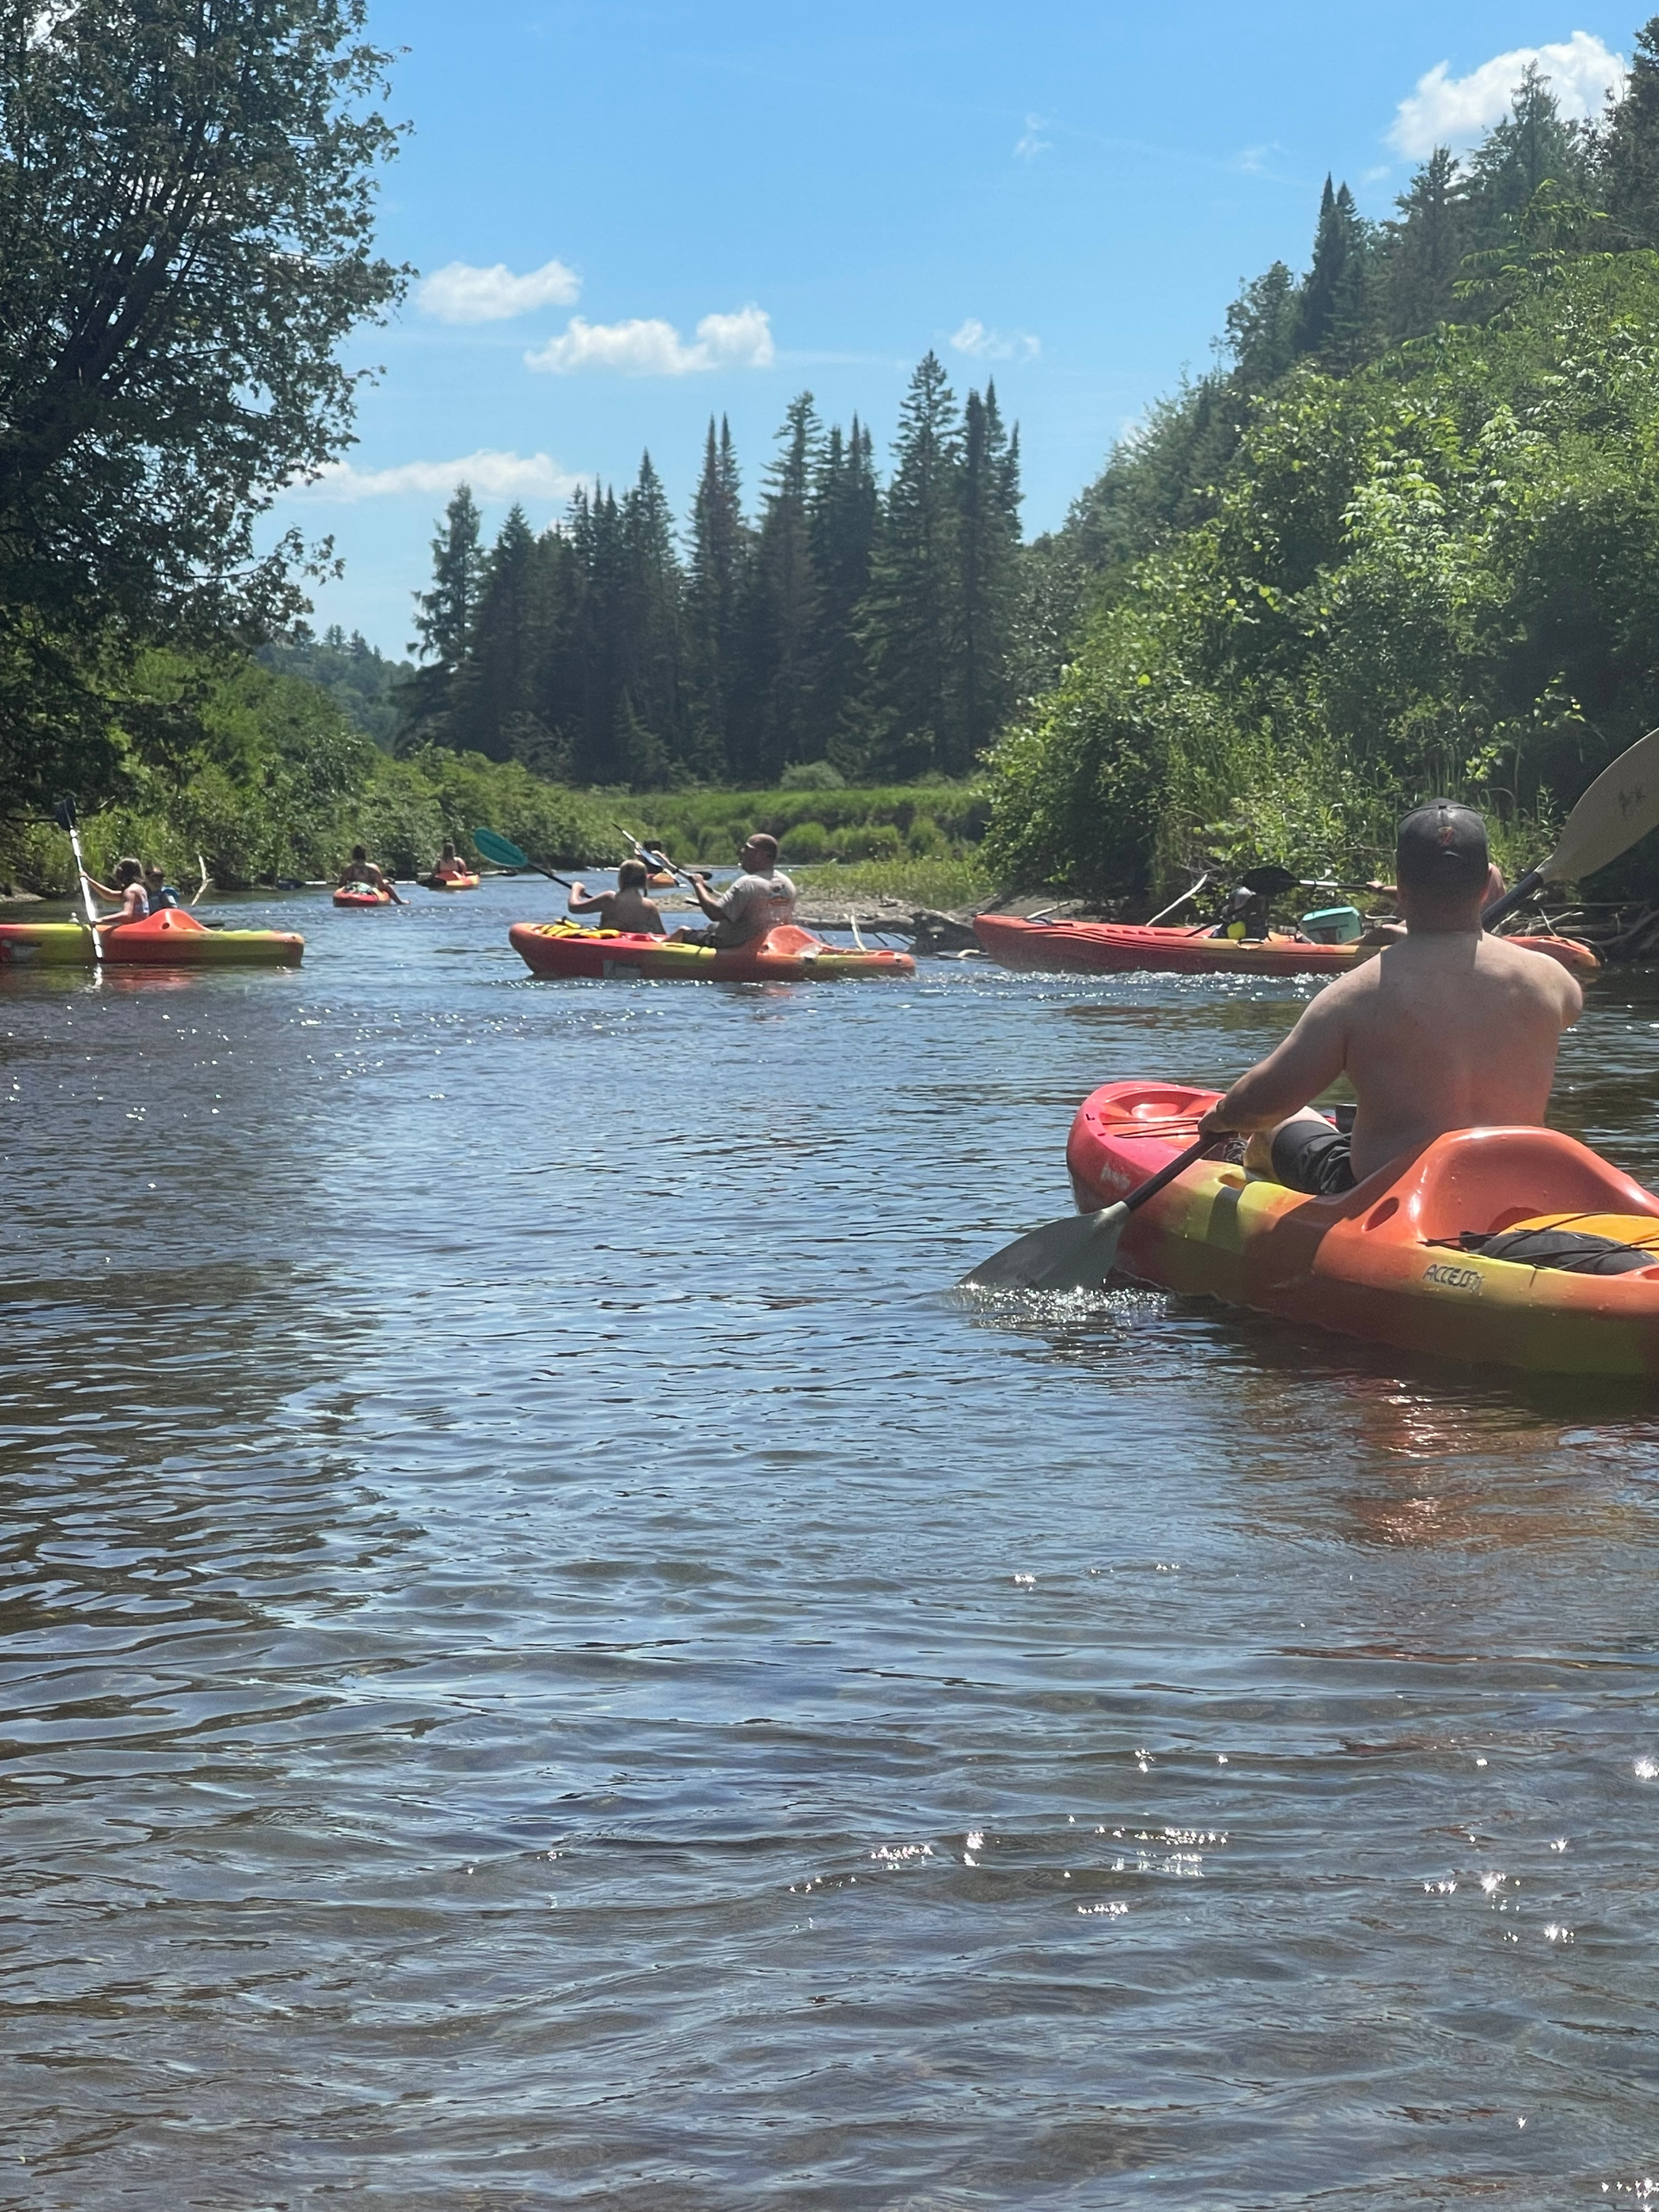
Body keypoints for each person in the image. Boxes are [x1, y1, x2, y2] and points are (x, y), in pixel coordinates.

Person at [1195, 800, 1583, 1195]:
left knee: (1274, 1125)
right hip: (1512, 1190)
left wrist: (1222, 1117)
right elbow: (1562, 1006)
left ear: (1402, 886)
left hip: (1388, 1201)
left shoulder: (1353, 996)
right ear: (1486, 886)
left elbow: (1266, 1101)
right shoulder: (1552, 981)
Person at [669, 833, 796, 947]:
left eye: (747, 849)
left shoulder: (747, 883)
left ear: (760, 854)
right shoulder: (787, 884)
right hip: (769, 945)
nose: (741, 852)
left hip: (733, 947)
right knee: (711, 928)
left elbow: (715, 914)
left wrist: (698, 885)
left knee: (682, 932)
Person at [566, 859, 665, 935]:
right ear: (643, 882)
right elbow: (662, 935)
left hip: (608, 952)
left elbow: (574, 907)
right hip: (633, 953)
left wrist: (576, 888)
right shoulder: (649, 906)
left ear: (621, 879)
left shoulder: (609, 899)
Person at [86, 855, 149, 934]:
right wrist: (89, 880)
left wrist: (101, 920)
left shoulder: (130, 891)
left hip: (133, 933)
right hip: (142, 929)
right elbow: (109, 895)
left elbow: (127, 915)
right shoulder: (139, 889)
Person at [338, 845, 406, 903]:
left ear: (353, 856)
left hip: (353, 888)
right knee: (386, 884)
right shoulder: (373, 868)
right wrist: (386, 882)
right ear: (365, 855)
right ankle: (399, 902)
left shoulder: (348, 869)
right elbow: (381, 886)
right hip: (370, 889)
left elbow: (341, 884)